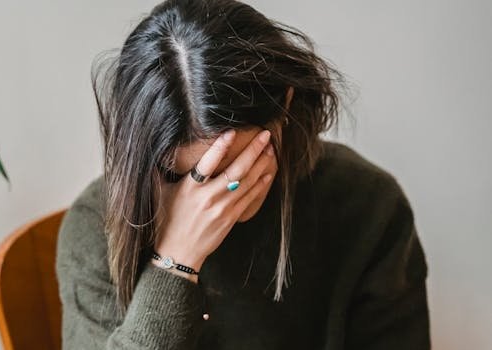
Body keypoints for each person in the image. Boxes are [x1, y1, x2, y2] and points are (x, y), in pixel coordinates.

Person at [55, 0, 430, 348]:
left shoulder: (367, 204)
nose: (214, 199)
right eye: (179, 175)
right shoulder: (95, 228)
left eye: (234, 165)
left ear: (284, 103)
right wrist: (175, 262)